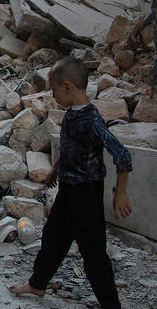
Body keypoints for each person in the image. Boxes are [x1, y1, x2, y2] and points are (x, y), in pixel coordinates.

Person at [9, 57, 132, 309]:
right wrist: (55, 168)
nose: (53, 96)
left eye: (54, 90)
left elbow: (122, 154)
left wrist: (121, 193)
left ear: (67, 87)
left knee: (93, 253)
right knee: (53, 240)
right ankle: (38, 284)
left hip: (87, 195)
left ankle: (112, 305)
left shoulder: (92, 119)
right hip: (68, 190)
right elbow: (70, 147)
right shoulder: (71, 115)